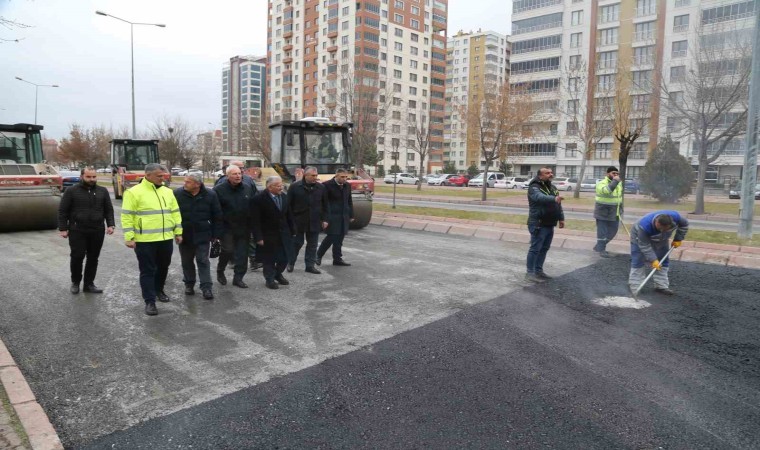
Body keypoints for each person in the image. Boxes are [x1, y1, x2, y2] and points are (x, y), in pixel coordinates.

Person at [122, 164, 183, 316]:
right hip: (145, 240)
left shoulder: (168, 192)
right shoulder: (133, 192)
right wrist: (129, 237)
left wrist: (178, 232)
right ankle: (150, 301)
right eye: (159, 176)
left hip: (165, 238)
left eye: (164, 176)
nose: (162, 179)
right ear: (148, 175)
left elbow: (175, 213)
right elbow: (127, 216)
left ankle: (159, 290)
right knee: (148, 270)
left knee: (163, 267)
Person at [58, 166, 115, 294]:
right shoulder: (71, 191)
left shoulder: (102, 191)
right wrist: (63, 228)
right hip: (77, 230)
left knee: (93, 258)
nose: (91, 179)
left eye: (94, 177)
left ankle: (89, 284)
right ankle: (76, 282)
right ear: (82, 177)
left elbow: (108, 210)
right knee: (77, 256)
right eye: (88, 177)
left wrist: (110, 224)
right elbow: (63, 211)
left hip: (97, 230)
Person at [174, 173, 223, 300]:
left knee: (203, 260)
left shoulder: (210, 195)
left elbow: (217, 215)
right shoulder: (178, 194)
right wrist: (176, 232)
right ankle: (189, 284)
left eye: (188, 182)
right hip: (185, 235)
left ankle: (206, 287)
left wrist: (216, 235)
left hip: (203, 234)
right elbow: (172, 214)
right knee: (187, 261)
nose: (184, 184)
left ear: (197, 184)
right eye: (184, 181)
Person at [214, 165, 256, 288]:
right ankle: (220, 270)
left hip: (244, 227)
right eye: (234, 174)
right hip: (227, 228)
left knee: (242, 254)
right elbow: (215, 211)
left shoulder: (247, 188)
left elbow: (253, 206)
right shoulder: (219, 190)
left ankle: (238, 278)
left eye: (239, 173)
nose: (238, 176)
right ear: (227, 176)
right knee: (228, 250)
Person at [629, 210, 689, 295]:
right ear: (657, 222)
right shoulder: (644, 226)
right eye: (660, 228)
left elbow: (684, 225)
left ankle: (661, 286)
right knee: (638, 260)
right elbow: (644, 246)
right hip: (638, 238)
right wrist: (653, 259)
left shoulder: (676, 217)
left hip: (662, 239)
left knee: (662, 259)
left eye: (665, 229)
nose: (662, 230)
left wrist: (678, 239)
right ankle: (635, 287)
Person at [251, 176, 296, 289]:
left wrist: (293, 230)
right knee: (269, 258)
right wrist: (258, 237)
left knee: (285, 257)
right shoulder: (259, 199)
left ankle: (277, 274)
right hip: (268, 234)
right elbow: (255, 220)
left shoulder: (284, 197)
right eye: (278, 186)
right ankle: (269, 279)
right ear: (269, 187)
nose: (281, 187)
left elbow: (289, 215)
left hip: (284, 232)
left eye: (281, 185)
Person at [525, 166, 565, 282]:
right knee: (535, 249)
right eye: (547, 173)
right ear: (540, 176)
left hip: (550, 223)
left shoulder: (552, 187)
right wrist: (553, 198)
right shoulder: (534, 187)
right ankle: (530, 273)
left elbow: (558, 204)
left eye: (551, 172)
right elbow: (539, 197)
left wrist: (561, 218)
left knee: (544, 248)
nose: (550, 174)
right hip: (538, 223)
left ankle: (538, 271)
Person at [287, 166, 328, 274]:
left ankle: (310, 265)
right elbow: (288, 205)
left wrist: (325, 219)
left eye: (316, 175)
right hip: (298, 220)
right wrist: (290, 221)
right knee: (297, 243)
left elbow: (325, 205)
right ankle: (290, 262)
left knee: (312, 244)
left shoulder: (321, 188)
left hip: (314, 220)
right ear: (306, 175)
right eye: (313, 175)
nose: (315, 177)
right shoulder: (295, 187)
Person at [317, 168, 354, 266]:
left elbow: (349, 201)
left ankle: (337, 259)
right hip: (331, 216)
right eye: (342, 177)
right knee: (331, 237)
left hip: (343, 216)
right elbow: (323, 203)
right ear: (336, 175)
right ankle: (318, 255)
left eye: (346, 177)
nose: (344, 179)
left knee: (340, 239)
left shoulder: (347, 186)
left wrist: (351, 214)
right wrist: (324, 218)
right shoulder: (326, 185)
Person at [594, 166, 623, 258]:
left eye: (617, 173)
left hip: (615, 212)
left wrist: (621, 209)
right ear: (607, 174)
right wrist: (615, 181)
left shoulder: (618, 183)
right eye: (613, 173)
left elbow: (619, 198)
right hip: (602, 212)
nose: (616, 175)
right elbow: (607, 191)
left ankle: (599, 246)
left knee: (613, 232)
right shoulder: (601, 183)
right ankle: (602, 250)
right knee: (602, 233)